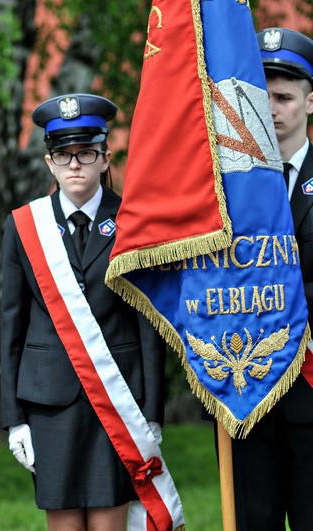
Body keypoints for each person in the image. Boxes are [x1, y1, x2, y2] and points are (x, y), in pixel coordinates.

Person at [0, 94, 166, 531]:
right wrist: (13, 419)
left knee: (111, 517)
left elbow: (148, 321)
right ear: (49, 162)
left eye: (86, 152)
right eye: (63, 154)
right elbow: (11, 326)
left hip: (117, 395)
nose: (75, 164)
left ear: (105, 156)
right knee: (65, 522)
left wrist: (151, 411)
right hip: (49, 402)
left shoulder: (134, 220)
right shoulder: (23, 225)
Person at [219, 27, 313, 531]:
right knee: (252, 519)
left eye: (284, 97)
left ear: (310, 100)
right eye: (263, 96)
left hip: (312, 389)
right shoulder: (226, 188)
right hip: (246, 385)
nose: (272, 109)